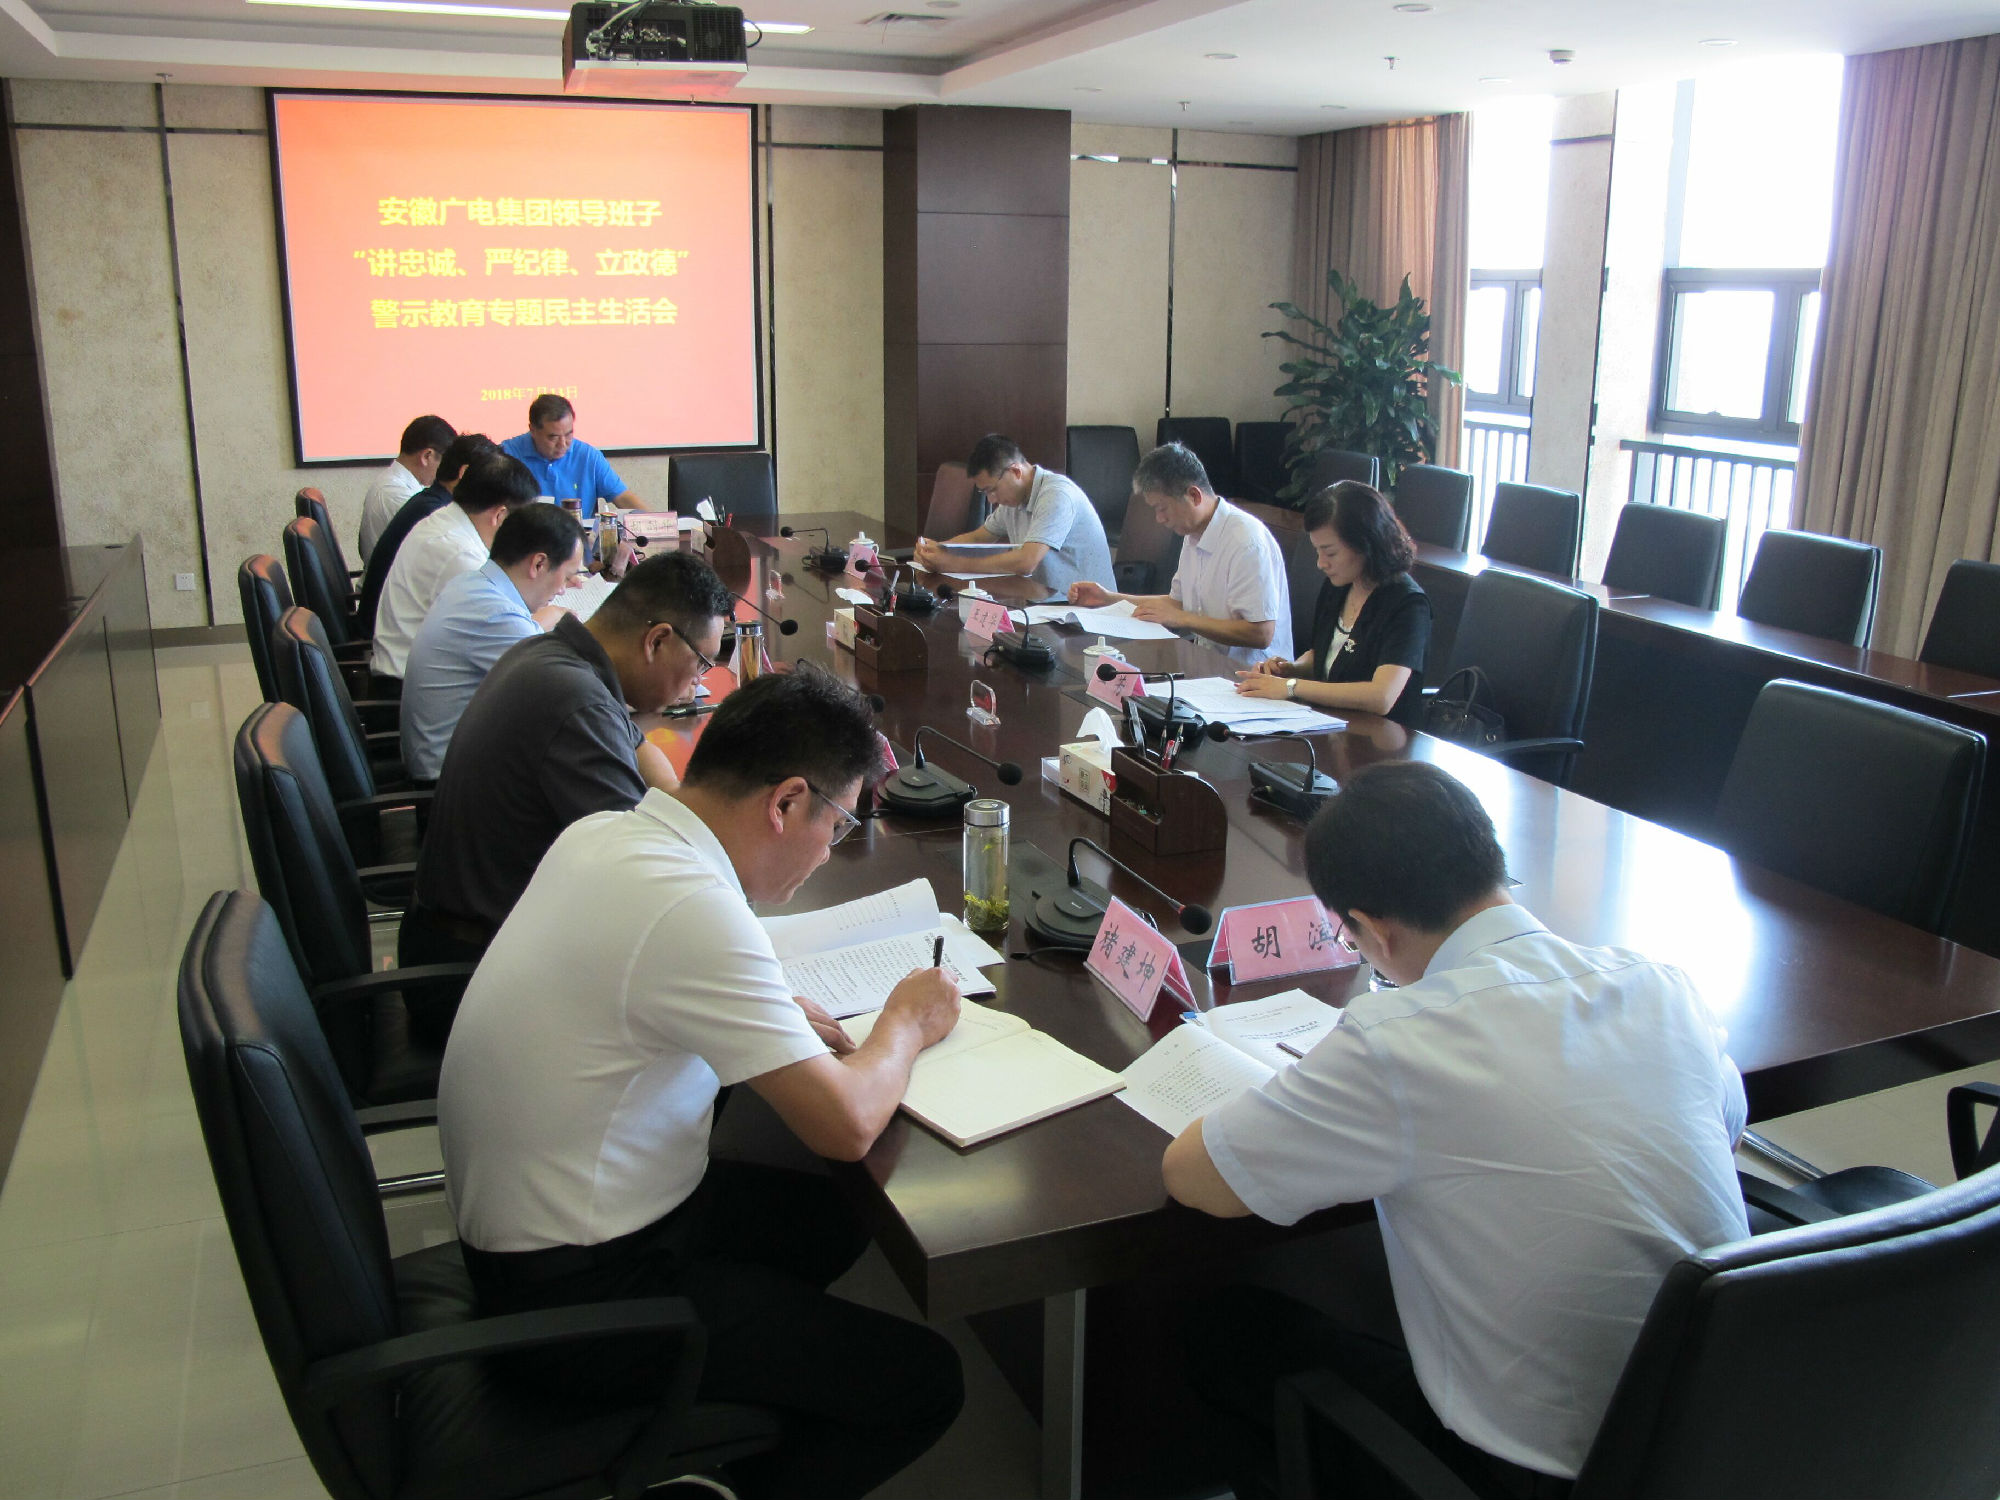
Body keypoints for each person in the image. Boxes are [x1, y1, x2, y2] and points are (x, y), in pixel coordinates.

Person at [438, 667, 965, 1500]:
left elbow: (644, 974)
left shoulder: (608, 835)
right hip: (581, 1299)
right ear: (786, 802)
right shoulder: (691, 908)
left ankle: (757, 1390)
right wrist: (906, 1021)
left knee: (834, 1219)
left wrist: (766, 1006)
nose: (828, 851)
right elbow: (847, 1124)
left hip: (551, 1233)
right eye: (837, 824)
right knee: (925, 1383)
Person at [1163, 761, 1749, 1500]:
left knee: (1226, 1326)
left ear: (1372, 930)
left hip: (1536, 1474)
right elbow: (1726, 1131)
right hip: (1727, 1432)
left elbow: (1197, 1177)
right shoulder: (1660, 985)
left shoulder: (1399, 1039)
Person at [400, 549, 733, 991]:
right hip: (474, 969)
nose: (698, 682)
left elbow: (639, 747)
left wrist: (677, 802)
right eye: (702, 664)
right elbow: (647, 882)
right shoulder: (578, 705)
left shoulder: (555, 655)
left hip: (462, 936)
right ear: (657, 641)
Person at [399, 502, 587, 784]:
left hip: (450, 757)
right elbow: (568, 686)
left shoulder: (472, 584)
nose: (562, 590)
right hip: (452, 782)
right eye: (567, 576)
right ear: (538, 564)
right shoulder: (497, 615)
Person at [1065, 441, 1291, 667]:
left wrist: (1184, 619)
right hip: (1206, 665)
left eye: (1162, 508)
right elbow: (1177, 603)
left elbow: (1261, 633)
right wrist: (1107, 598)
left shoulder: (1246, 542)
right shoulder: (1193, 534)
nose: (1159, 519)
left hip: (1251, 674)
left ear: (1194, 496)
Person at [1237, 481, 1431, 728]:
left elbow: (1381, 697)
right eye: (1317, 551)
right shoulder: (1339, 584)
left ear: (1366, 544)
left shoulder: (1408, 604)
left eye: (1330, 553)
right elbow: (1326, 655)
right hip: (1331, 721)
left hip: (1384, 735)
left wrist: (1290, 687)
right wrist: (1290, 670)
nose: (1321, 563)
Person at [369, 451, 538, 688]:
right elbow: (518, 642)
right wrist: (555, 611)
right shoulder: (460, 554)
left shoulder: (446, 520)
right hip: (405, 688)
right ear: (500, 516)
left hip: (414, 673)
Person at [914, 433, 1114, 595]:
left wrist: (955, 564)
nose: (991, 500)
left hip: (1087, 611)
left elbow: (1026, 562)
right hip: (1047, 601)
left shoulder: (1056, 495)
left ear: (1016, 472)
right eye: (985, 492)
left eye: (992, 490)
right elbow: (978, 537)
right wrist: (937, 551)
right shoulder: (1013, 500)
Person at [355, 431, 496, 638]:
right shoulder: (435, 514)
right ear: (465, 473)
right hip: (382, 630)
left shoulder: (431, 502)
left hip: (388, 622)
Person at [500, 392, 649, 518]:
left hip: (579, 540)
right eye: (553, 437)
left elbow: (622, 497)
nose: (563, 444)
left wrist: (653, 523)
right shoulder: (507, 456)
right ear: (533, 430)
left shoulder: (588, 456)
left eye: (568, 434)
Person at [357, 414, 455, 564]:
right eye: (445, 463)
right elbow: (441, 549)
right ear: (427, 456)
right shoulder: (396, 493)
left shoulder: (395, 482)